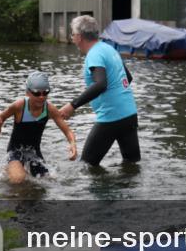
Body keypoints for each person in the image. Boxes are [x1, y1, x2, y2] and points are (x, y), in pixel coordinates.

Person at [58, 15, 140, 166]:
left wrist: (72, 105)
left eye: (72, 34)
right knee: (131, 164)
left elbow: (101, 84)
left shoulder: (94, 54)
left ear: (80, 36)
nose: (72, 38)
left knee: (87, 166)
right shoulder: (109, 49)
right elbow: (128, 78)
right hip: (129, 114)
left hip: (111, 117)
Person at [0, 72, 77, 183]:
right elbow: (0, 118)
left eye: (45, 93)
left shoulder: (49, 109)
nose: (41, 97)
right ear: (27, 93)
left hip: (34, 153)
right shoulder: (19, 106)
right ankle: (11, 168)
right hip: (15, 151)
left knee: (48, 182)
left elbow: (68, 131)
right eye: (37, 93)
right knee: (18, 179)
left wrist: (73, 144)